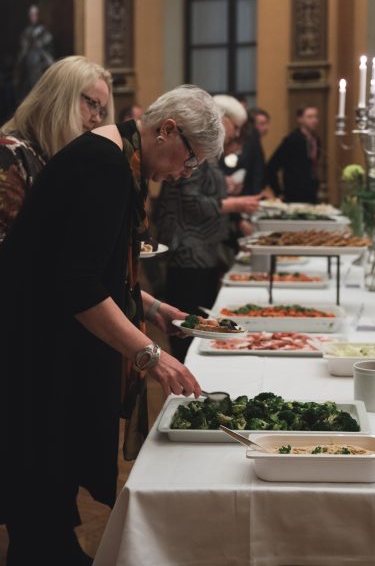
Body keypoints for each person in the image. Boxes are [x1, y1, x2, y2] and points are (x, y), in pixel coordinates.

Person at [0, 84, 224, 565]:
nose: (183, 174)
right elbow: (78, 285)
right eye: (189, 160)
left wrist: (155, 309)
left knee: (48, 505)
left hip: (47, 345)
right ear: (167, 130)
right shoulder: (104, 166)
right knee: (41, 499)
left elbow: (99, 270)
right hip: (38, 351)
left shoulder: (115, 157)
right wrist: (151, 354)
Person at [154, 94, 261, 361]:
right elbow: (191, 202)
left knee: (200, 320)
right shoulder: (195, 149)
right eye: (236, 127)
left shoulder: (207, 151)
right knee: (188, 323)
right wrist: (234, 204)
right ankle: (185, 370)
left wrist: (226, 186)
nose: (236, 134)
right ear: (223, 119)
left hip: (203, 248)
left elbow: (204, 189)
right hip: (188, 249)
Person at [0, 55, 114, 244]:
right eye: (92, 104)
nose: (97, 118)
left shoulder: (60, 158)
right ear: (61, 97)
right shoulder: (10, 152)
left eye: (101, 110)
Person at [266, 105, 321, 203]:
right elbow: (272, 166)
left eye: (316, 116)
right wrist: (278, 191)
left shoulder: (316, 140)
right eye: (309, 117)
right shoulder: (292, 140)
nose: (314, 120)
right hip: (293, 193)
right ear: (300, 119)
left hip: (311, 192)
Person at [12, 4, 54, 102]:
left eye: (35, 14)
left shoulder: (44, 31)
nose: (33, 17)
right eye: (31, 15)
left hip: (41, 63)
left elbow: (48, 47)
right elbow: (23, 49)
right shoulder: (26, 31)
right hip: (29, 64)